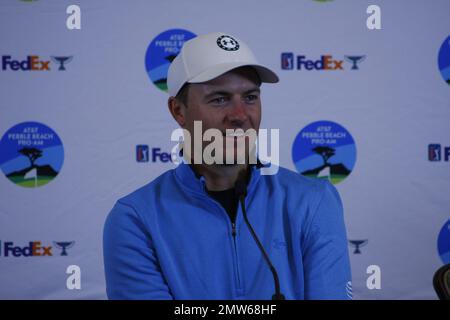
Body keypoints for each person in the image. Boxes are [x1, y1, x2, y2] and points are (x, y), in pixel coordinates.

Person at [103, 32, 352, 300]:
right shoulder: (135, 219)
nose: (239, 116)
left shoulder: (313, 201)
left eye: (250, 97)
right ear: (178, 111)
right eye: (219, 99)